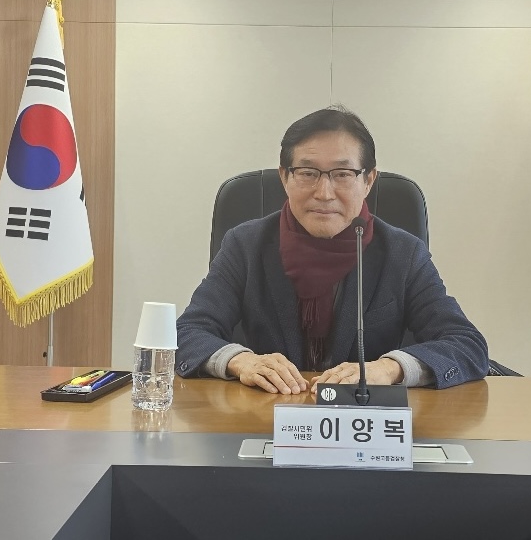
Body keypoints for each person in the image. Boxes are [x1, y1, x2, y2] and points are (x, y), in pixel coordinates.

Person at [175, 106, 489, 393]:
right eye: (307, 173)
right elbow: (187, 333)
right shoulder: (245, 245)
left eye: (342, 174)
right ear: (284, 177)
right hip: (266, 413)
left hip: (365, 420)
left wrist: (388, 369)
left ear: (368, 181)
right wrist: (242, 361)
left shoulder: (403, 254)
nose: (324, 193)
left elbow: (467, 345)